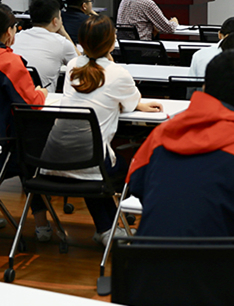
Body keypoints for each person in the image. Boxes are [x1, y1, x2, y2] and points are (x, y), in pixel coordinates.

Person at [128, 50, 234, 240]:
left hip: (149, 255)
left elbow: (136, 184)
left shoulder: (160, 135)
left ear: (204, 88)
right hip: (226, 257)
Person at [36, 16, 162, 246]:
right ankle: (111, 227)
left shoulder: (73, 66)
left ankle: (105, 228)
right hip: (89, 163)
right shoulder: (118, 73)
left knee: (92, 164)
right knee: (117, 167)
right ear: (111, 42)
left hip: (52, 158)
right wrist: (139, 104)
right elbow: (131, 103)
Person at [0, 4, 48, 236]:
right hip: (4, 148)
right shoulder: (8, 62)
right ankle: (41, 225)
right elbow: (33, 104)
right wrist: (43, 92)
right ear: (8, 32)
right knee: (28, 153)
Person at [13, 0, 79, 91]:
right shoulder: (62, 43)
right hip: (44, 98)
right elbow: (83, 67)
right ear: (55, 21)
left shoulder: (15, 38)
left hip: (13, 98)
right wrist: (65, 34)